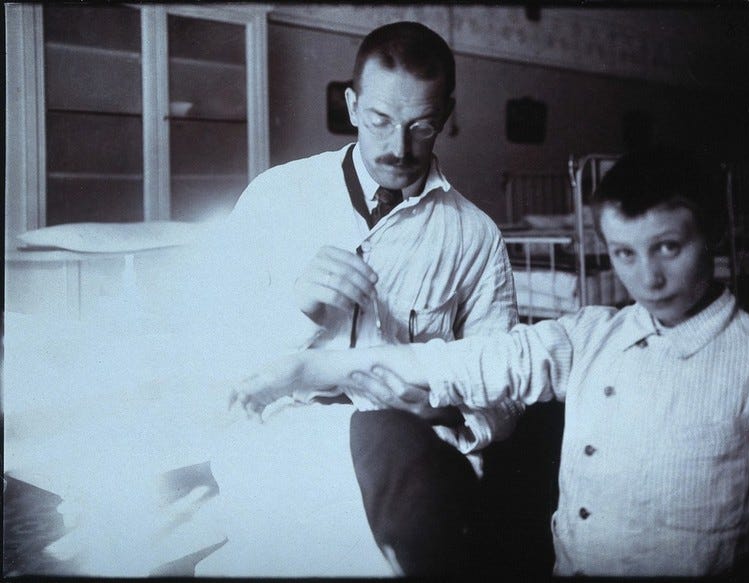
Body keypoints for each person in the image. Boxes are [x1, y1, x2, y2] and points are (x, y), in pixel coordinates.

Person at [232, 146, 749, 577]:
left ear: (714, 235)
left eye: (668, 247)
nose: (647, 277)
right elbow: (464, 360)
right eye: (624, 253)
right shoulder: (592, 335)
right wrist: (302, 372)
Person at [192, 21, 521, 577]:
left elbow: (506, 393)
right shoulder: (275, 198)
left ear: (446, 115)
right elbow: (208, 351)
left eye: (421, 126)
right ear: (351, 105)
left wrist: (438, 408)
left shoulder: (476, 236)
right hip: (282, 459)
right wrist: (297, 309)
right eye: (380, 121)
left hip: (412, 470)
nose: (399, 147)